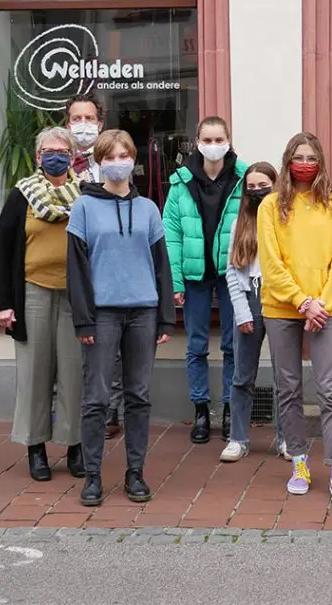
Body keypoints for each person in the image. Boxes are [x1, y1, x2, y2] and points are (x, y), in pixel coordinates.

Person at [67, 129, 176, 507]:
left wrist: (165, 318)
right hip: (102, 314)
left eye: (123, 155)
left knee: (139, 396)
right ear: (98, 162)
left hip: (143, 311)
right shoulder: (83, 207)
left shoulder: (147, 207)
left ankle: (135, 473)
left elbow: (162, 265)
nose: (117, 162)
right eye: (109, 156)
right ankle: (93, 475)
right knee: (96, 398)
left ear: (134, 159)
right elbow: (76, 268)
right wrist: (83, 319)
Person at [258, 133, 332, 505]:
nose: (305, 162)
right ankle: (299, 460)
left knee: (330, 390)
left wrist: (323, 304)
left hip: (325, 309)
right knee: (289, 389)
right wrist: (302, 302)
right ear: (287, 160)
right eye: (299, 156)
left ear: (321, 162)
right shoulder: (270, 206)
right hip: (283, 307)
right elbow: (270, 261)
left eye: (312, 156)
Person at [0, 126, 85, 482]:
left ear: (72, 155)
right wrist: (4, 304)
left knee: (74, 372)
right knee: (34, 374)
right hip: (32, 293)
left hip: (75, 296)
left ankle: (75, 446)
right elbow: (4, 254)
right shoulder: (21, 196)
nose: (55, 155)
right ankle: (36, 449)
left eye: (62, 149)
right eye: (49, 150)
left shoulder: (86, 195)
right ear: (38, 157)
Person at [163, 117, 248, 443]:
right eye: (208, 139)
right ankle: (200, 410)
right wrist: (176, 283)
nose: (214, 145)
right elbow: (170, 234)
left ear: (228, 140)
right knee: (196, 346)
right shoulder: (181, 182)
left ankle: (229, 408)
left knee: (231, 345)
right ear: (197, 141)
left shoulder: (243, 178)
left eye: (219, 139)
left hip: (232, 273)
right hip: (195, 276)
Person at [220, 162, 291, 462]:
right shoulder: (241, 224)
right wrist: (241, 312)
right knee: (242, 375)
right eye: (252, 188)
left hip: (279, 301)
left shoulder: (287, 221)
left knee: (284, 377)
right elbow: (232, 271)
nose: (258, 191)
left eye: (264, 185)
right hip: (249, 299)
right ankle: (238, 438)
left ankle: (287, 438)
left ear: (275, 185)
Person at [64, 95, 123, 439]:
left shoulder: (111, 162)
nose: (83, 124)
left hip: (103, 264)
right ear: (67, 122)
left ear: (99, 123)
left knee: (107, 342)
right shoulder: (56, 160)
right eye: (76, 118)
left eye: (89, 117)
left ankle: (110, 410)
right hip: (66, 263)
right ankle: (74, 409)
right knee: (73, 345)